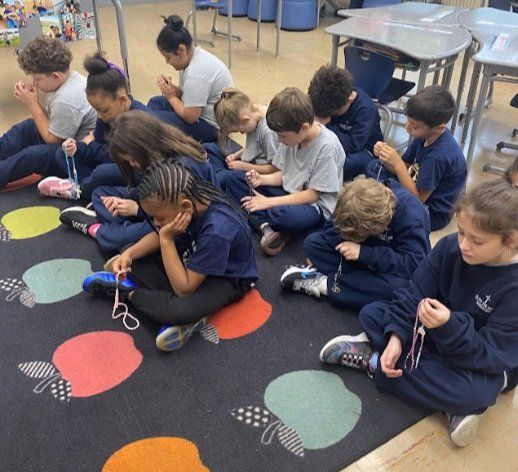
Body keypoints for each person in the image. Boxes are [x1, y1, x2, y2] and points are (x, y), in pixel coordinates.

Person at [319, 179, 518, 448]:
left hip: (480, 359)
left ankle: (374, 362)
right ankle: (446, 402)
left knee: (476, 392)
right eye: (461, 232)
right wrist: (397, 338)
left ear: (512, 240)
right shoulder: (450, 247)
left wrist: (448, 325)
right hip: (437, 334)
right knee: (373, 314)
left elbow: (491, 355)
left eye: (477, 241)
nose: (464, 245)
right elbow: (415, 291)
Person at [82, 161, 258, 352]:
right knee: (131, 249)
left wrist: (166, 240)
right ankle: (165, 299)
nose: (157, 223)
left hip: (227, 278)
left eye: (161, 218)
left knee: (179, 309)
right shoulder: (187, 206)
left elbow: (184, 289)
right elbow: (159, 233)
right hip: (192, 256)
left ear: (185, 206)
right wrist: (128, 255)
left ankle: (127, 292)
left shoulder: (218, 230)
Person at [58, 110, 217, 253]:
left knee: (122, 239)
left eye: (133, 160)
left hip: (182, 221)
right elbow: (151, 192)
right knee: (100, 194)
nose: (133, 165)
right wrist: (132, 204)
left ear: (144, 147)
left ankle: (98, 230)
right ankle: (119, 232)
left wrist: (138, 210)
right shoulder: (160, 150)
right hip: (157, 204)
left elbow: (177, 217)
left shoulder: (181, 168)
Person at [225, 87, 346, 256]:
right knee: (233, 180)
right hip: (288, 192)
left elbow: (313, 195)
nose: (279, 141)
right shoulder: (290, 137)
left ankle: (264, 221)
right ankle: (267, 228)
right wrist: (262, 180)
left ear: (304, 127)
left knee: (281, 214)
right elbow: (285, 174)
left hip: (313, 206)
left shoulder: (327, 146)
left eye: (282, 136)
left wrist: (268, 202)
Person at [280, 178, 431, 308]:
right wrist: (353, 247)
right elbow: (331, 229)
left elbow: (415, 264)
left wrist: (365, 254)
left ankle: (325, 284)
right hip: (361, 259)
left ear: (379, 227)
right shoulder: (356, 194)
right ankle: (356, 285)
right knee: (312, 243)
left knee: (400, 288)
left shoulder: (411, 214)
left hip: (387, 264)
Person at [35, 52, 149, 201]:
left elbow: (118, 159)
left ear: (122, 100)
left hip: (135, 171)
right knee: (62, 153)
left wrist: (92, 144)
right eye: (95, 109)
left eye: (103, 109)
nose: (99, 115)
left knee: (103, 172)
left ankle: (80, 192)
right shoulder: (105, 117)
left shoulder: (139, 120)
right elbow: (97, 150)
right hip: (109, 162)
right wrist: (77, 147)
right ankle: (86, 186)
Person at [365, 86, 467, 231]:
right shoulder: (425, 135)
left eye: (414, 126)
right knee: (375, 166)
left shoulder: (438, 156)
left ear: (439, 128)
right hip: (415, 185)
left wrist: (397, 164)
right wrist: (386, 156)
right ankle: (384, 200)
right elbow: (407, 165)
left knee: (381, 206)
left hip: (430, 212)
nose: (407, 128)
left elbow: (418, 200)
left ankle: (384, 204)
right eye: (408, 122)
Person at [0, 37, 96, 162]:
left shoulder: (65, 100)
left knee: (32, 155)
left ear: (55, 76)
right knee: (28, 127)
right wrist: (34, 102)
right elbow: (52, 121)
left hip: (75, 156)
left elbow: (53, 140)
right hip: (65, 142)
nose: (34, 83)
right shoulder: (69, 79)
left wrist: (32, 104)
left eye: (38, 79)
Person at [147, 14, 233, 143]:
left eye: (168, 57)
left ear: (181, 50)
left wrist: (170, 96)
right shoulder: (191, 58)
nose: (167, 62)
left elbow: (190, 116)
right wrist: (173, 90)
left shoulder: (197, 71)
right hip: (199, 112)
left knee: (153, 121)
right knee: (155, 103)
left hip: (212, 126)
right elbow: (188, 96)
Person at [308, 65, 383, 180]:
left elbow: (353, 146)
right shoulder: (325, 100)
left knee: (340, 163)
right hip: (335, 142)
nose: (329, 115)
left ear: (348, 100)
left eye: (333, 113)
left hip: (364, 151)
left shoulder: (366, 110)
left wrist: (326, 124)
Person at [205, 88, 278, 191]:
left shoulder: (268, 132)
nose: (242, 133)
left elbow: (275, 169)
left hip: (262, 175)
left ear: (245, 120)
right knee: (209, 148)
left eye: (240, 130)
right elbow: (255, 145)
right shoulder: (253, 118)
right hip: (249, 163)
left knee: (229, 178)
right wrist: (236, 155)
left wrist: (244, 166)